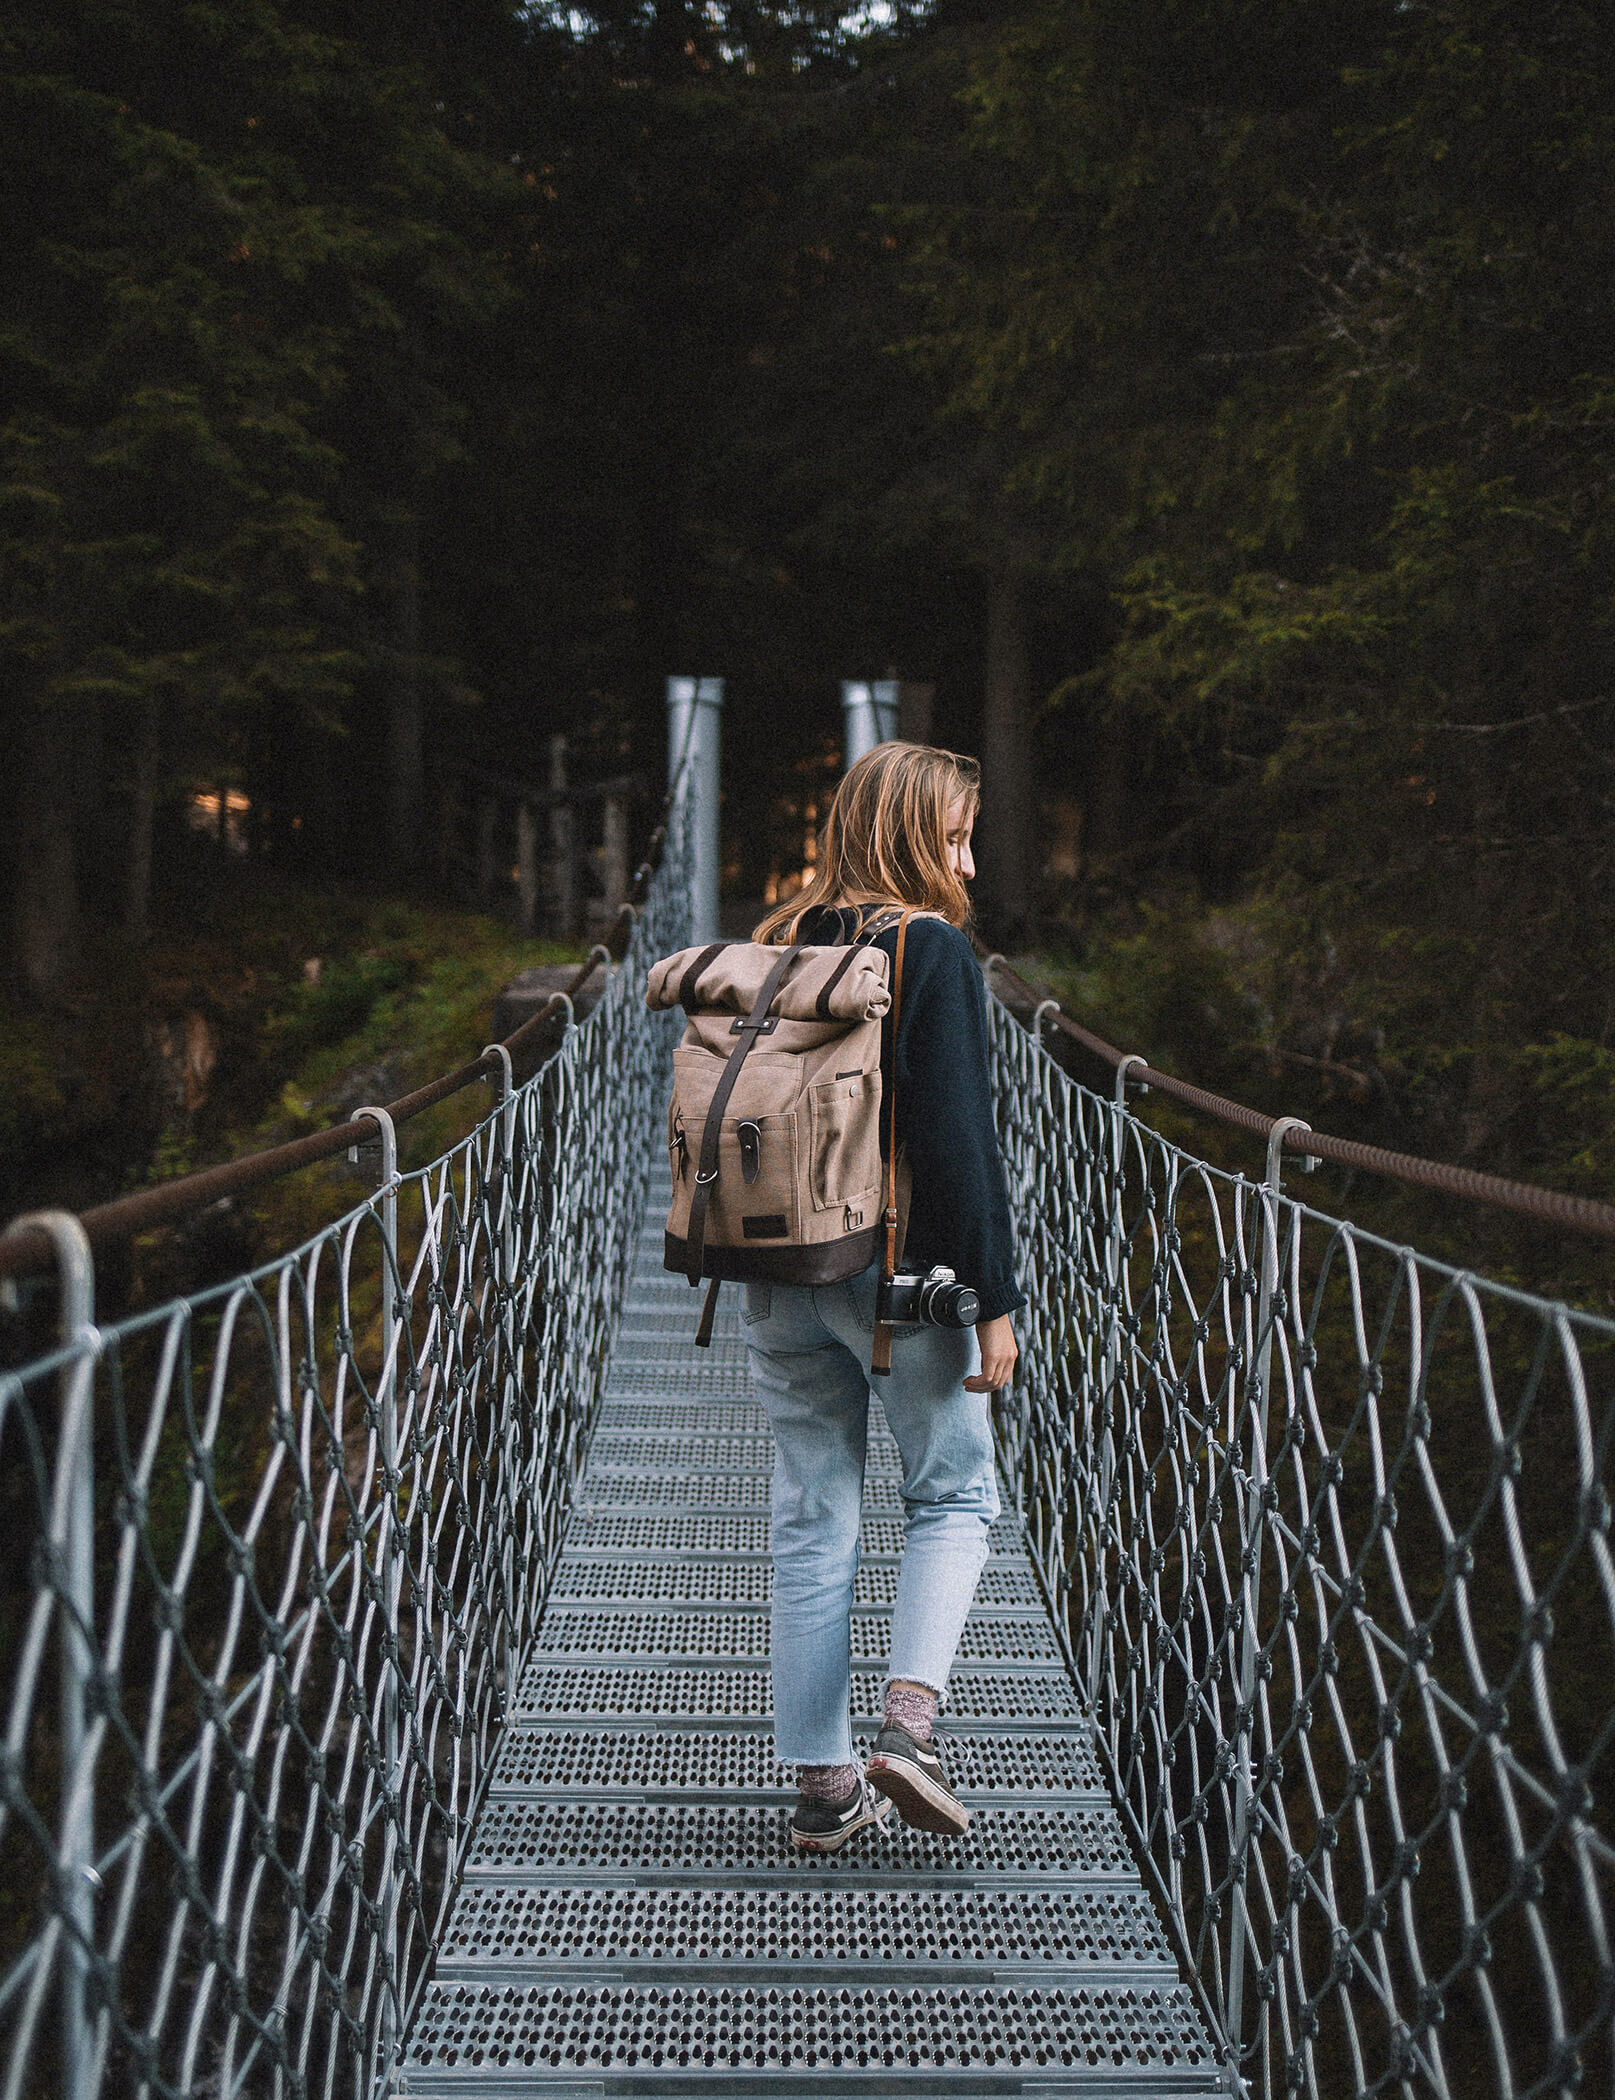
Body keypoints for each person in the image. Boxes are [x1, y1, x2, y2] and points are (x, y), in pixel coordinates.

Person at [746, 740, 1024, 1851]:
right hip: (899, 1280)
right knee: (953, 1498)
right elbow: (959, 1149)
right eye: (953, 837)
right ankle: (906, 1732)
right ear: (911, 838)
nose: (967, 861)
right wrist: (993, 1299)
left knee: (812, 1515)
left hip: (777, 1272)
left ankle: (822, 1786)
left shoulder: (776, 942)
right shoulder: (933, 949)